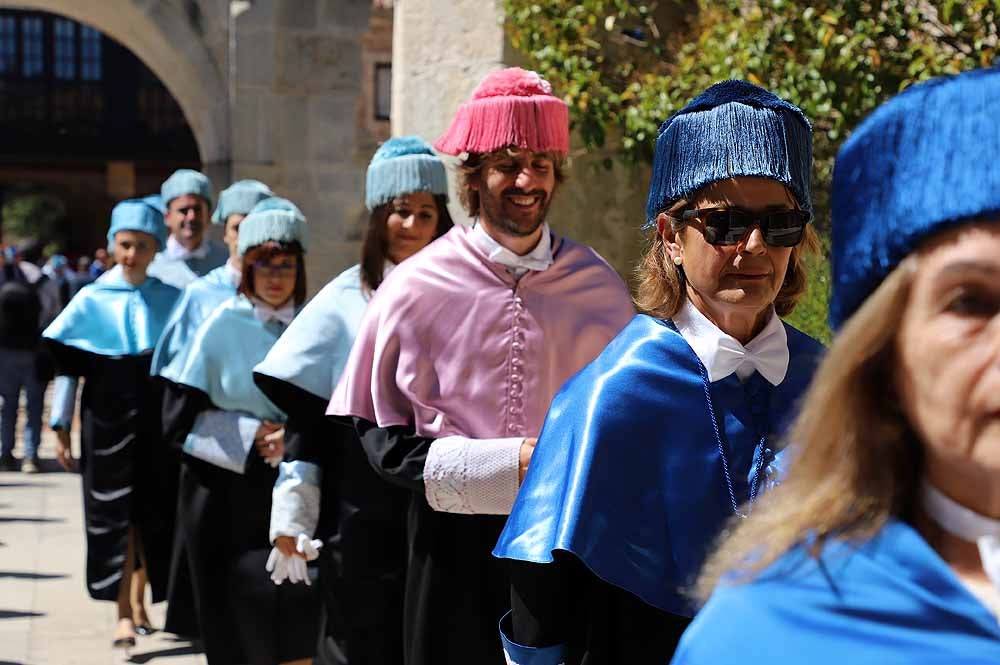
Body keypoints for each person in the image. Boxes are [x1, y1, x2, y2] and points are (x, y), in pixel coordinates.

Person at [670, 67, 1000, 664]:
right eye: (971, 301)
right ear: (886, 352)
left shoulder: (807, 366)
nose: (752, 247)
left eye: (779, 224)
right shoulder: (767, 639)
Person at [493, 80, 825, 665]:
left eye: (780, 225)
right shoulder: (612, 393)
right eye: (724, 224)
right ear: (671, 237)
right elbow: (540, 596)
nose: (754, 246)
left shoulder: (830, 383)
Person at [328, 67, 636, 665]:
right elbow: (382, 442)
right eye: (507, 163)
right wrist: (503, 462)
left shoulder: (597, 285)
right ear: (473, 176)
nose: (526, 180)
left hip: (563, 547)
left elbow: (627, 425)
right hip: (449, 552)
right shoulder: (414, 286)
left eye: (541, 164)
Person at [254, 136, 452, 665]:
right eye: (399, 211)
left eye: (425, 212)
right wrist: (292, 518)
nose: (410, 225)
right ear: (376, 217)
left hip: (446, 500)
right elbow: (307, 428)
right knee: (358, 637)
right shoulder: (344, 300)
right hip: (360, 507)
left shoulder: (468, 294)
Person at [159, 210, 318, 665]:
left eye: (286, 265)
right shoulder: (218, 326)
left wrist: (294, 436)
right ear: (246, 269)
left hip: (295, 490)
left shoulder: (314, 326)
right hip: (224, 497)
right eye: (264, 265)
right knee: (234, 624)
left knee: (295, 622)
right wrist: (250, 434)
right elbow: (176, 421)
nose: (275, 277)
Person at [41, 199, 180, 649]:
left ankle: (139, 599)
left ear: (156, 248)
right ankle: (122, 610)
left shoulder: (171, 300)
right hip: (105, 424)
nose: (132, 254)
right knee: (113, 517)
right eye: (124, 244)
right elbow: (68, 367)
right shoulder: (91, 299)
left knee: (149, 514)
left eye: (142, 245)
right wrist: (61, 424)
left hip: (157, 424)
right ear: (111, 246)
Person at [151, 179, 274, 375]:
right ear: (225, 233)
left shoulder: (279, 291)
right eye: (238, 228)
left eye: (255, 228)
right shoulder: (200, 293)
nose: (247, 237)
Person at [0, 249, 45, 473]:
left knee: (8, 406)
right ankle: (30, 455)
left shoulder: (3, 290)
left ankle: (5, 454)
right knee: (33, 406)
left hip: (5, 354)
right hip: (31, 353)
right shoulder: (32, 287)